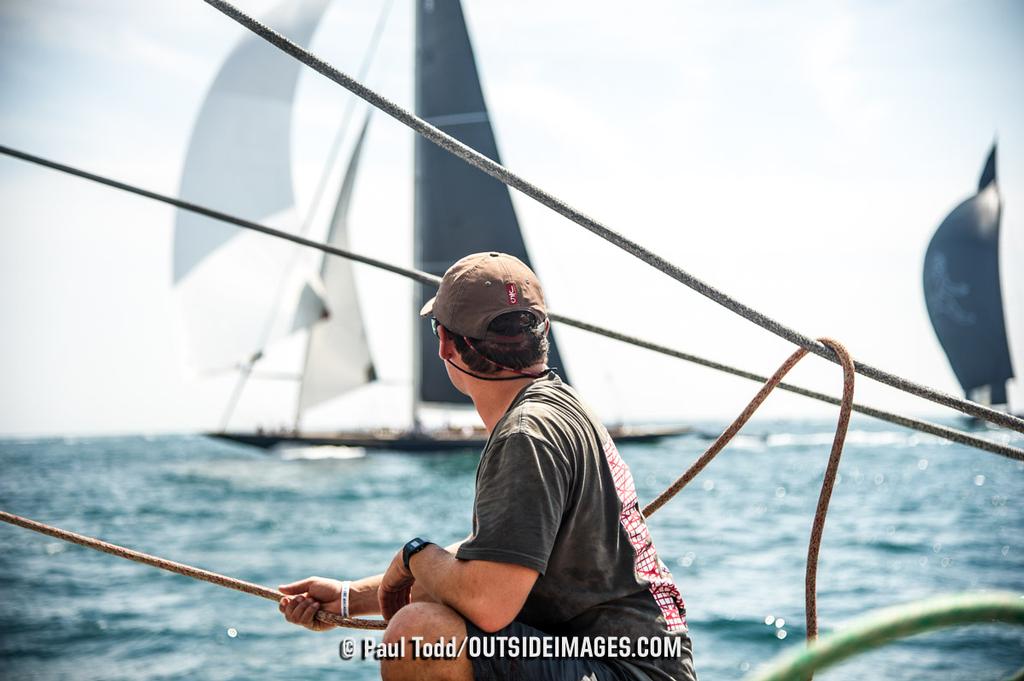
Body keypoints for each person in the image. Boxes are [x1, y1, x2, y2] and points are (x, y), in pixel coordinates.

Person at [278, 252, 697, 681]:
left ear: (445, 343)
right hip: (641, 663)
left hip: (628, 671)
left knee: (418, 635)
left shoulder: (526, 433)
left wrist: (413, 555)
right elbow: (490, 558)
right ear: (542, 332)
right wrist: (349, 598)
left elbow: (488, 602)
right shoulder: (561, 406)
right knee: (439, 596)